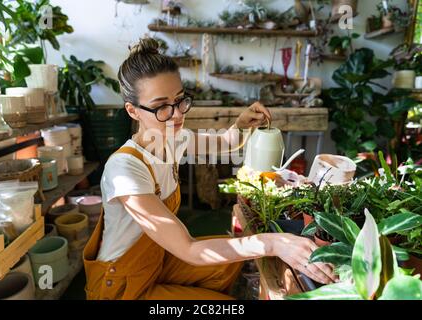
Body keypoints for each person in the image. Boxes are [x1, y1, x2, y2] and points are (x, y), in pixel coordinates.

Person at [83, 37, 337, 300]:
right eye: (161, 107)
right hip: (122, 285)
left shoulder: (173, 139)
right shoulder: (125, 170)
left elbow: (226, 142)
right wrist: (272, 243)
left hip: (157, 260)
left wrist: (241, 123)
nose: (178, 115)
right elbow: (189, 249)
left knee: (228, 262)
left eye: (180, 100)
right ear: (133, 111)